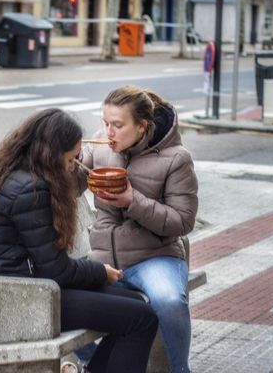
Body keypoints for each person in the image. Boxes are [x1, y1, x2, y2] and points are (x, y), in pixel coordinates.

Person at [0, 108, 158, 373]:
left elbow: (49, 266)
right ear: (51, 153)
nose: (74, 165)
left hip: (16, 289)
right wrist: (100, 272)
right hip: (19, 301)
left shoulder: (8, 173)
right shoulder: (31, 190)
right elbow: (56, 270)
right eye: (71, 157)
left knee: (135, 302)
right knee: (141, 319)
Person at [80, 85, 198, 373]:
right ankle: (89, 362)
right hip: (104, 260)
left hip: (155, 257)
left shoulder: (176, 158)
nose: (109, 133)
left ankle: (180, 370)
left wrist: (133, 201)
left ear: (142, 126)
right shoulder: (100, 147)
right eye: (105, 123)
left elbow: (183, 222)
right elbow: (70, 186)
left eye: (118, 125)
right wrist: (66, 163)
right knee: (58, 295)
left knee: (169, 301)